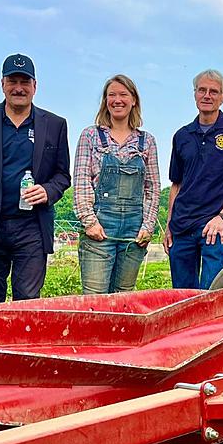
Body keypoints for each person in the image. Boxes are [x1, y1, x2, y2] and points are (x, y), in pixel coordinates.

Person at [0, 53, 71, 303]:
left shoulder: (54, 124)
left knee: (28, 300)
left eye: (25, 82)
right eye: (12, 81)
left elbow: (62, 175)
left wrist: (48, 191)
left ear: (35, 86)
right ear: (2, 84)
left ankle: (21, 343)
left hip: (32, 228)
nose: (19, 88)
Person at [164, 69, 223, 289]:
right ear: (194, 94)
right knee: (182, 296)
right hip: (182, 226)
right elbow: (176, 184)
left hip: (214, 226)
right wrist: (169, 225)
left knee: (211, 294)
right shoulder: (182, 135)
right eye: (202, 90)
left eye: (214, 91)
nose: (207, 95)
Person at [73, 75, 161, 294]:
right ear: (105, 101)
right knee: (96, 299)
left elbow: (152, 187)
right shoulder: (91, 136)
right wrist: (89, 222)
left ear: (133, 101)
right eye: (112, 95)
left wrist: (147, 226)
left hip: (134, 232)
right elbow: (81, 181)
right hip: (99, 228)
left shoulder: (146, 141)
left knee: (124, 298)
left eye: (123, 94)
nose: (117, 100)